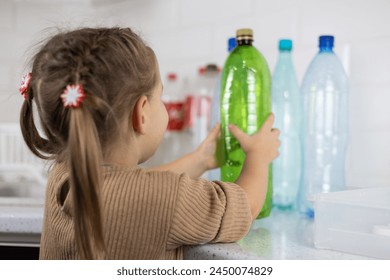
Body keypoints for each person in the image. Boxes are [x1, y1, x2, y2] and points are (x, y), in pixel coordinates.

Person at [19, 27, 280, 260]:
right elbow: (246, 206)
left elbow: (137, 190)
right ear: (141, 113)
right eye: (160, 96)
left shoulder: (64, 175)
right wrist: (258, 156)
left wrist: (201, 159)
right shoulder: (166, 201)